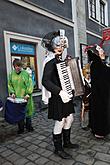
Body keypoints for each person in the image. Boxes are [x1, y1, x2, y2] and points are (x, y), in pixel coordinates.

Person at [41, 30, 79, 159]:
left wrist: (71, 88)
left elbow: (64, 77)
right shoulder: (50, 61)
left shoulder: (59, 60)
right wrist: (60, 91)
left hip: (66, 96)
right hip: (57, 97)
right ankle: (58, 148)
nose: (61, 49)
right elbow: (45, 81)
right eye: (58, 46)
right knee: (60, 122)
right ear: (52, 46)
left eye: (62, 46)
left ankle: (67, 142)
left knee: (70, 119)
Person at [87, 45, 110, 139]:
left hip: (104, 92)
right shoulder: (96, 63)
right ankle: (99, 131)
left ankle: (103, 129)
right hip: (99, 94)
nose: (102, 50)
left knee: (105, 111)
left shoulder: (101, 62)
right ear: (96, 53)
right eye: (100, 49)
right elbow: (104, 74)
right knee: (100, 112)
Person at [8, 59, 34, 134]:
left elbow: (30, 84)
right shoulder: (11, 74)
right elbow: (10, 84)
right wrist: (12, 92)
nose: (18, 67)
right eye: (16, 66)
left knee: (27, 112)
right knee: (19, 113)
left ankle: (29, 126)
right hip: (17, 98)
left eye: (19, 66)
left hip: (26, 97)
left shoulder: (25, 74)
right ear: (14, 66)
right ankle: (21, 128)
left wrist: (28, 94)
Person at [80, 64, 91, 130]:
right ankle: (83, 125)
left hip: (90, 99)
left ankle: (89, 123)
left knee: (89, 111)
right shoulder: (83, 82)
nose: (89, 74)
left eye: (89, 73)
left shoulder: (90, 80)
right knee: (84, 112)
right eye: (87, 73)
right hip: (85, 99)